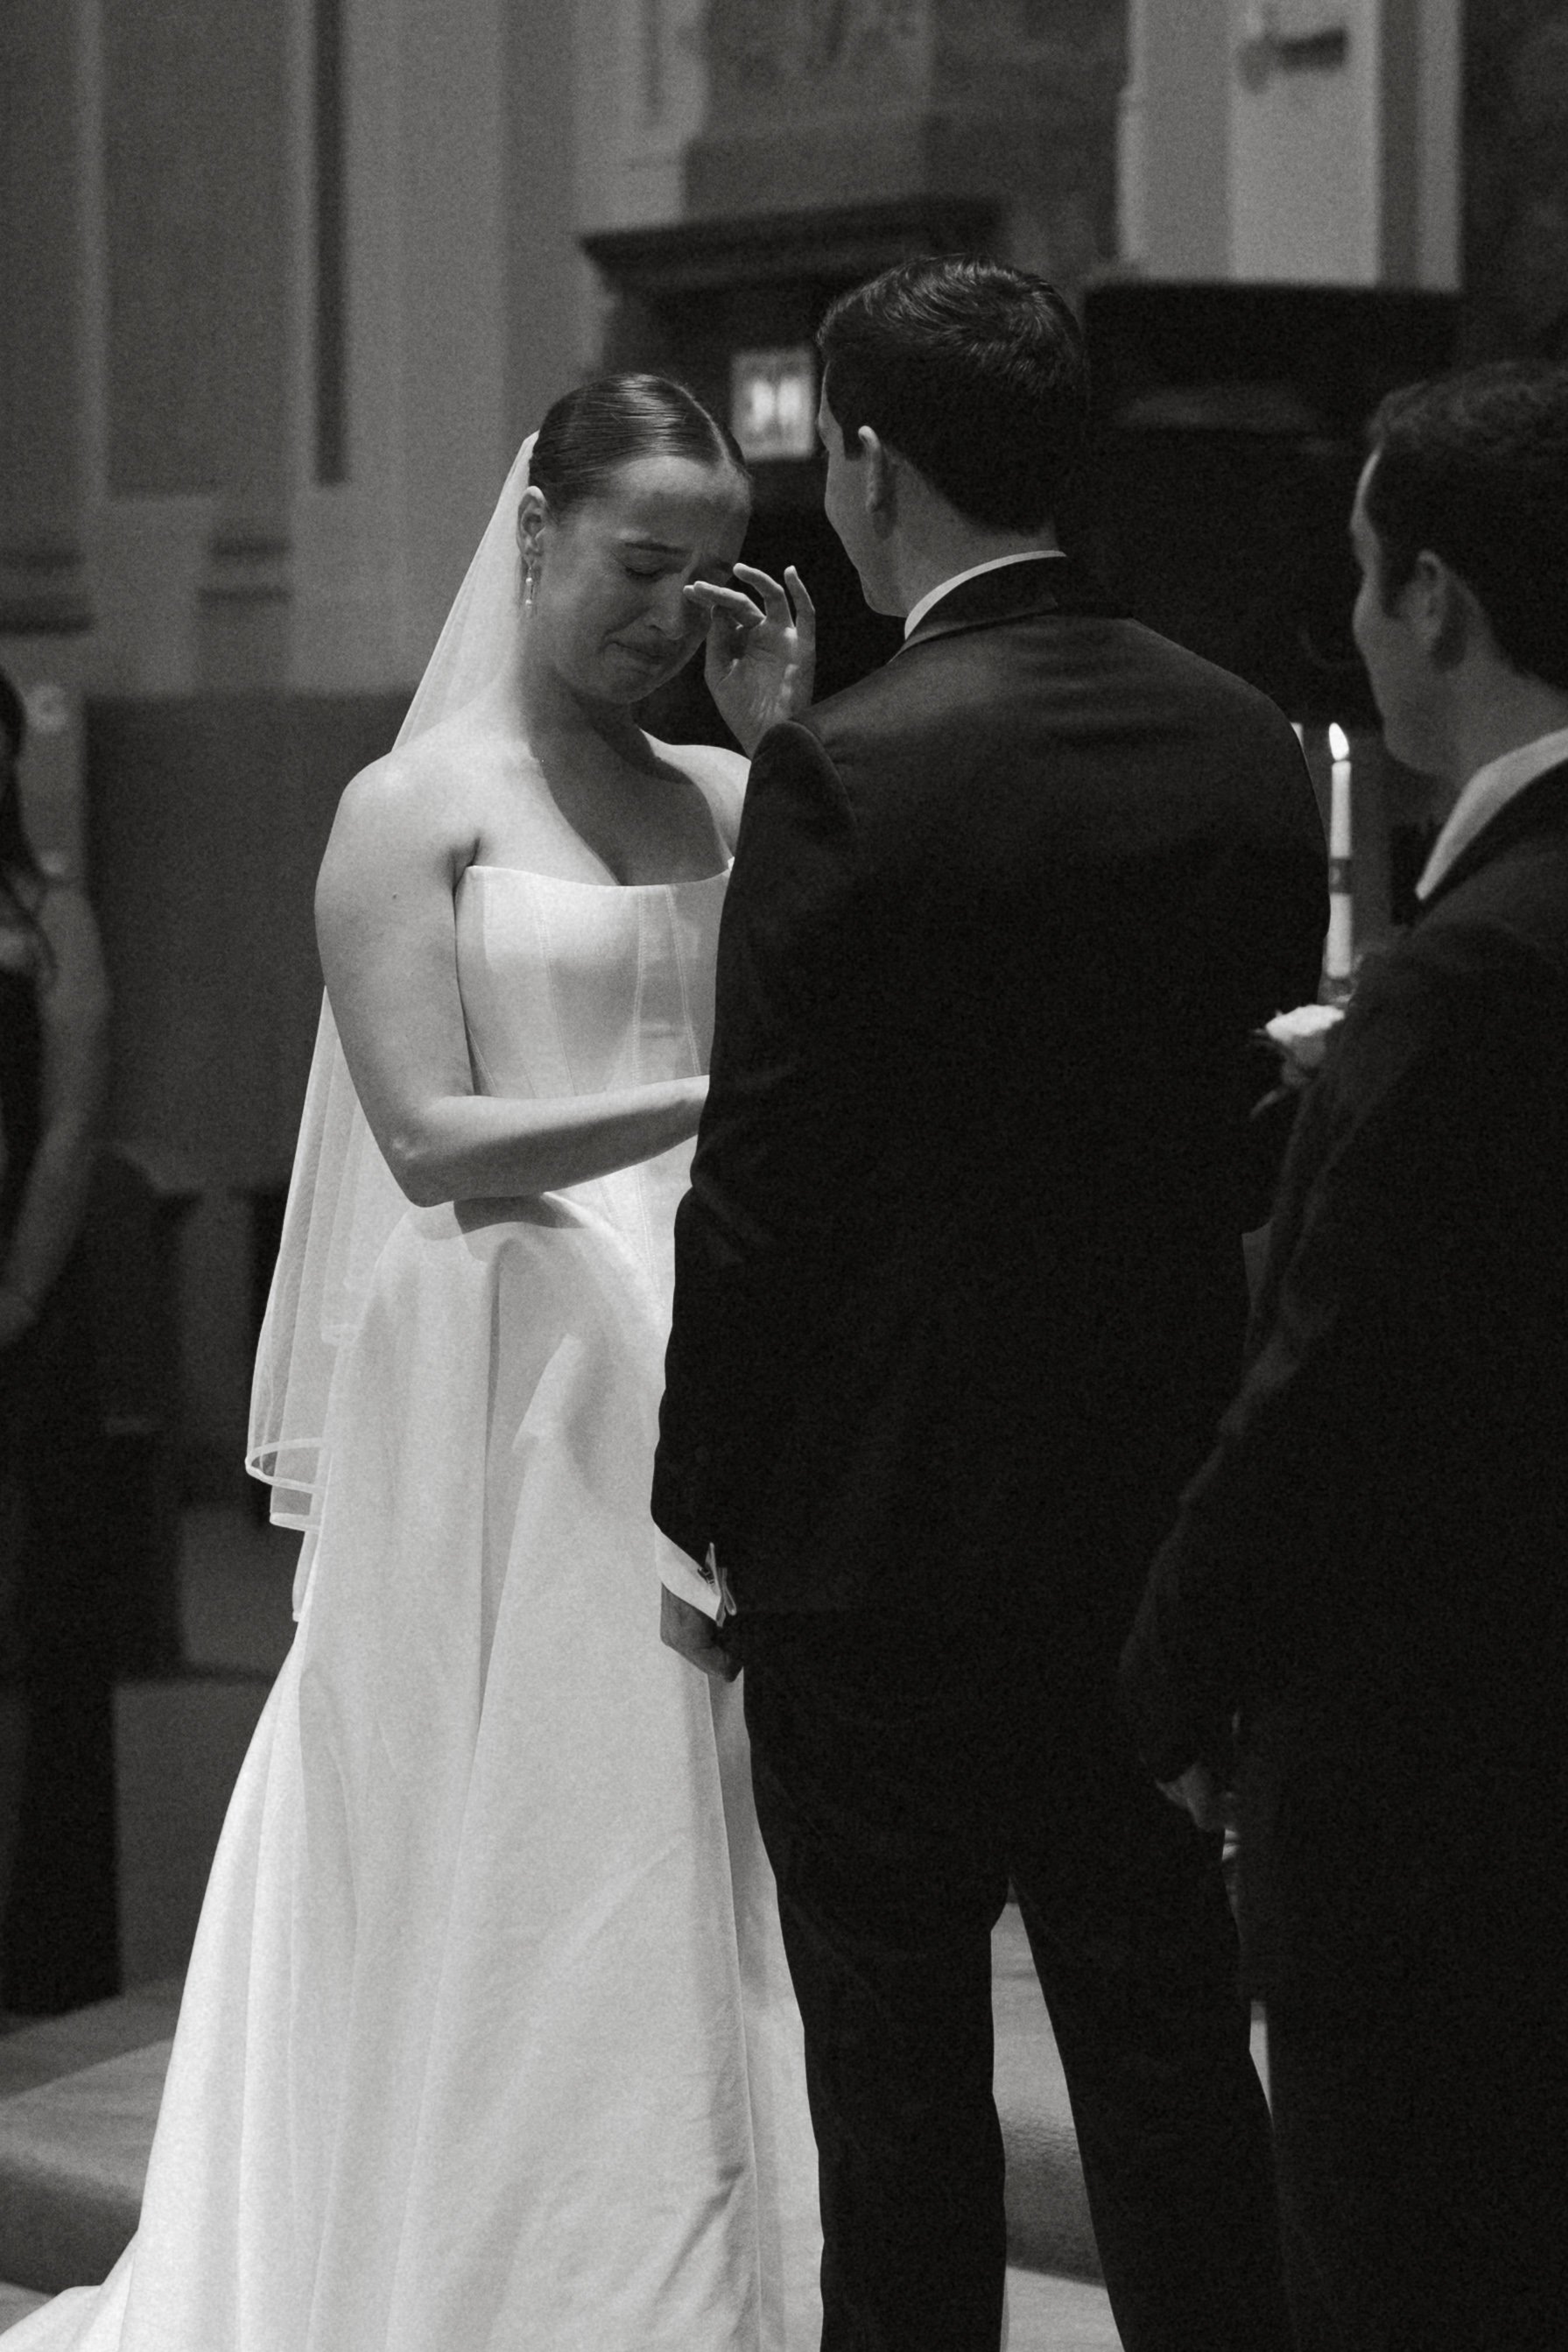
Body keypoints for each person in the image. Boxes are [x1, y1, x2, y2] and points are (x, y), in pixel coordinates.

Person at [4, 376, 822, 2350]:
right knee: (532, 1798)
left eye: (701, 572)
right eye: (634, 564)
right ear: (531, 533)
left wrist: (794, 744)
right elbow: (434, 1141)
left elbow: (854, 979)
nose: (665, 613)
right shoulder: (412, 808)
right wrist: (719, 1091)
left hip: (707, 1328)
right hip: (513, 1352)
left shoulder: (728, 797)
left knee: (703, 1820)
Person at [653, 256, 1327, 2352]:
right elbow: (1235, 1137)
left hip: (881, 1541)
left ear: (858, 463)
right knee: (1163, 2067)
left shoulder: (848, 768)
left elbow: (759, 1193)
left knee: (901, 2099)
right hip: (1144, 1512)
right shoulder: (1241, 742)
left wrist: (698, 1501)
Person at [1120, 361, 1568, 2350]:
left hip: (1435, 1779)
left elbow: (1329, 1389)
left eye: (1366, 576)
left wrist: (1163, 1671)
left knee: (1409, 2264)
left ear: (1435, 606)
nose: (1361, 620)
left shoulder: (1464, 971)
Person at [0, 669, 114, 2021]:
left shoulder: (54, 916)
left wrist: (19, 1293)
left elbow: (75, 1122)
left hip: (21, 1293)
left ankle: (25, 1924)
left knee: (17, 1621)